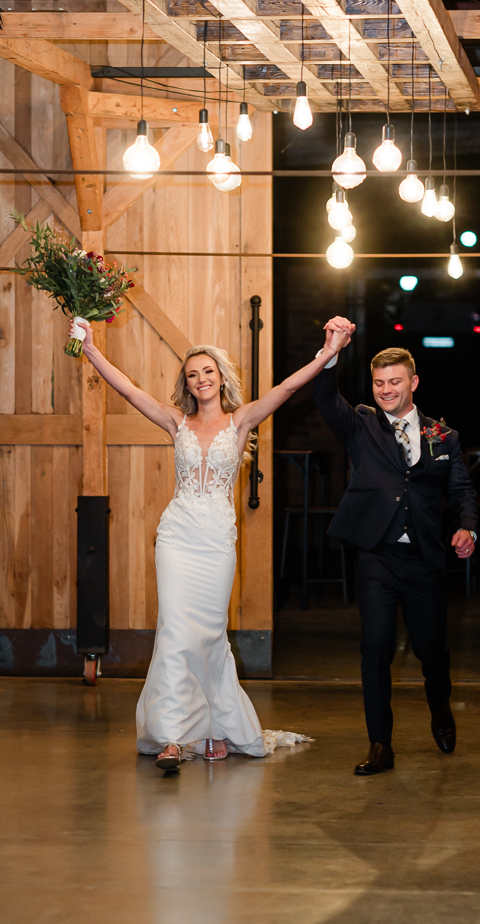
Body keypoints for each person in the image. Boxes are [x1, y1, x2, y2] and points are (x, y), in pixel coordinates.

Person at [71, 318, 352, 771]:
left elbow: (286, 388)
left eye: (208, 371)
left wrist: (328, 352)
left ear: (221, 378)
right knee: (174, 633)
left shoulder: (240, 421)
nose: (201, 379)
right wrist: (90, 348)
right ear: (186, 384)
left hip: (217, 540)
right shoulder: (175, 421)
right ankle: (171, 737)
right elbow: (129, 391)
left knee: (209, 634)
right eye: (192, 374)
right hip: (177, 537)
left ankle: (217, 727)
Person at [313, 323, 478, 776]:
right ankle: (380, 744)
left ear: (413, 382)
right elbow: (325, 397)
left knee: (431, 651)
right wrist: (331, 352)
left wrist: (467, 528)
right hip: (377, 557)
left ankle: (440, 710)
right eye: (379, 382)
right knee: (376, 646)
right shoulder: (361, 424)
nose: (386, 390)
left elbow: (461, 491)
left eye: (394, 381)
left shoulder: (442, 436)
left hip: (424, 559)